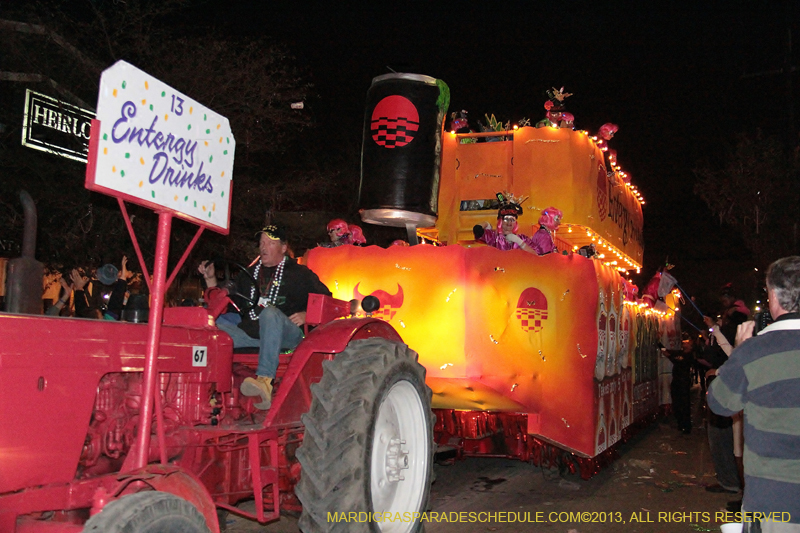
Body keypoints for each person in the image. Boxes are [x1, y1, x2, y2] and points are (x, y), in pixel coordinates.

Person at [708, 256, 800, 531]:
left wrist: (738, 352)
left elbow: (720, 403)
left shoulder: (755, 351)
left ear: (773, 296)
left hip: (775, 500)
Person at [199, 225, 331, 410]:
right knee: (208, 326)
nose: (263, 247)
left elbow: (327, 301)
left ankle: (265, 381)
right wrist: (210, 279)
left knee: (269, 313)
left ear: (283, 248)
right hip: (252, 334)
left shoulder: (300, 274)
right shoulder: (248, 274)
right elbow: (223, 303)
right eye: (261, 242)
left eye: (270, 242)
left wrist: (307, 314)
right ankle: (207, 389)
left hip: (288, 336)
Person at [700, 283, 748, 495]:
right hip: (729, 388)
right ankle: (734, 484)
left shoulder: (737, 328)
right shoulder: (731, 327)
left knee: (730, 442)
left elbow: (733, 355)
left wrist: (718, 372)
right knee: (732, 442)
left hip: (732, 390)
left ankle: (733, 484)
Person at [472, 193, 538, 252]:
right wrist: (486, 223)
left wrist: (520, 243)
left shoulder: (522, 238)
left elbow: (536, 256)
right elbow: (477, 229)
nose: (509, 222)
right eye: (506, 219)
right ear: (501, 221)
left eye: (512, 219)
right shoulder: (494, 237)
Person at [660, 334, 696, 434]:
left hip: (683, 382)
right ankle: (681, 424)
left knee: (684, 404)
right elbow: (666, 351)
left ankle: (686, 426)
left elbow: (668, 354)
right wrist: (659, 343)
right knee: (677, 404)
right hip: (677, 381)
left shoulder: (688, 356)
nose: (685, 343)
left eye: (688, 343)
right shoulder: (680, 353)